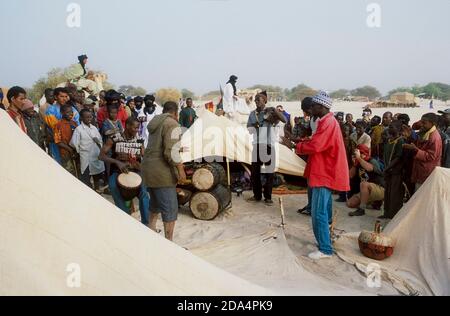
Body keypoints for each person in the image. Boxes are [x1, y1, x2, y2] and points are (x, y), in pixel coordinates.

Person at [296, 91, 349, 260]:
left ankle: (325, 249)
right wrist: (301, 142)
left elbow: (317, 145)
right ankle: (326, 240)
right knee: (324, 211)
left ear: (321, 106)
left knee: (318, 212)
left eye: (313, 106)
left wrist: (298, 147)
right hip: (323, 171)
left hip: (324, 172)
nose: (311, 109)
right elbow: (317, 141)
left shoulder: (327, 122)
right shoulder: (327, 121)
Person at [142, 101, 186, 241]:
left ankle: (151, 233)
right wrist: (181, 170)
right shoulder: (172, 124)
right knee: (170, 209)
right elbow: (170, 153)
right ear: (175, 112)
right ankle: (169, 243)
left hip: (149, 170)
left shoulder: (156, 122)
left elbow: (160, 146)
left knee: (154, 205)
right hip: (162, 173)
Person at [99, 117, 150, 226]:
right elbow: (101, 156)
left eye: (138, 128)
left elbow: (144, 156)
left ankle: (146, 224)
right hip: (117, 171)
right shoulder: (114, 138)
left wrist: (139, 164)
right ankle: (126, 216)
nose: (137, 130)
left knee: (144, 193)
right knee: (113, 186)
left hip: (135, 171)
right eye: (135, 127)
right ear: (127, 126)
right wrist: (117, 162)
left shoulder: (139, 139)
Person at [247, 92, 286, 206]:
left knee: (269, 172)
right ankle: (257, 195)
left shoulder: (271, 112)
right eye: (255, 100)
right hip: (257, 144)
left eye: (258, 100)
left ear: (264, 101)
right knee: (255, 172)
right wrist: (254, 126)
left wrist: (274, 110)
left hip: (269, 144)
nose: (256, 102)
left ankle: (268, 197)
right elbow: (249, 130)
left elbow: (284, 120)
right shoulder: (252, 114)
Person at [404, 113, 442, 191]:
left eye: (424, 123)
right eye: (421, 122)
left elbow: (431, 156)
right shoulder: (425, 132)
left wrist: (415, 150)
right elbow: (420, 145)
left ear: (432, 124)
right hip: (420, 171)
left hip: (427, 174)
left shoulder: (434, 137)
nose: (421, 125)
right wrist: (411, 137)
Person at [71, 109, 105, 191]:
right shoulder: (79, 129)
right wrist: (80, 151)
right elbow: (74, 143)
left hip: (96, 155)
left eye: (90, 117)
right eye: (86, 117)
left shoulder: (94, 128)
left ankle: (97, 189)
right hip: (86, 156)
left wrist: (98, 142)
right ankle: (87, 192)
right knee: (86, 176)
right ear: (81, 118)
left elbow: (100, 141)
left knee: (96, 175)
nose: (89, 119)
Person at [347, 144, 385, 217]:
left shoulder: (372, 160)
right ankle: (372, 202)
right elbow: (350, 175)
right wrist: (355, 164)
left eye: (360, 153)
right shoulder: (358, 162)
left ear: (364, 154)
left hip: (380, 188)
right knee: (350, 203)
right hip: (367, 190)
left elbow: (369, 168)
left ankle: (362, 209)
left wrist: (359, 159)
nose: (357, 155)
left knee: (363, 184)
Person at [45, 87, 80, 163]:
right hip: (57, 143)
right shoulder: (50, 110)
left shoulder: (73, 110)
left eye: (66, 97)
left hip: (72, 143)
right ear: (55, 97)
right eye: (61, 96)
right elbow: (55, 128)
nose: (64, 99)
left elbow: (77, 125)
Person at [380, 121, 405, 219]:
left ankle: (393, 215)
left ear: (398, 129)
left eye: (391, 127)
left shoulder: (400, 141)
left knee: (394, 193)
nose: (389, 129)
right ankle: (386, 212)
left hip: (395, 171)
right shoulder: (389, 140)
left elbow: (398, 157)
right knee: (388, 192)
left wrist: (388, 167)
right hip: (388, 170)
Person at [54, 104, 79, 177]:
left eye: (71, 112)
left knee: (78, 172)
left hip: (76, 152)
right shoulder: (58, 125)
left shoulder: (74, 123)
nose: (70, 114)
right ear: (62, 112)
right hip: (66, 153)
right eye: (68, 112)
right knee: (69, 173)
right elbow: (58, 141)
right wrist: (70, 149)